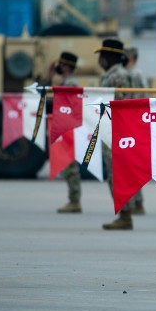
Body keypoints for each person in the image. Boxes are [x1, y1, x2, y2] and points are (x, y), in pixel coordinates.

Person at [95, 39, 137, 229]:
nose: (100, 59)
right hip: (110, 131)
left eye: (103, 55)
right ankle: (124, 213)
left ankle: (126, 215)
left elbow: (121, 106)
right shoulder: (111, 74)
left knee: (118, 174)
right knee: (114, 174)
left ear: (111, 55)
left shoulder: (118, 75)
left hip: (116, 133)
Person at [49, 52, 84, 214]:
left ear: (66, 66)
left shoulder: (71, 83)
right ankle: (73, 199)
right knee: (68, 164)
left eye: (61, 65)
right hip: (65, 125)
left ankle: (74, 200)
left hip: (68, 127)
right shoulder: (66, 81)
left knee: (69, 165)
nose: (59, 67)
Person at [124, 47, 147, 215]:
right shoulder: (128, 73)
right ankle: (136, 201)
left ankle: (138, 202)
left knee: (133, 164)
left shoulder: (135, 74)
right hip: (129, 122)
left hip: (134, 122)